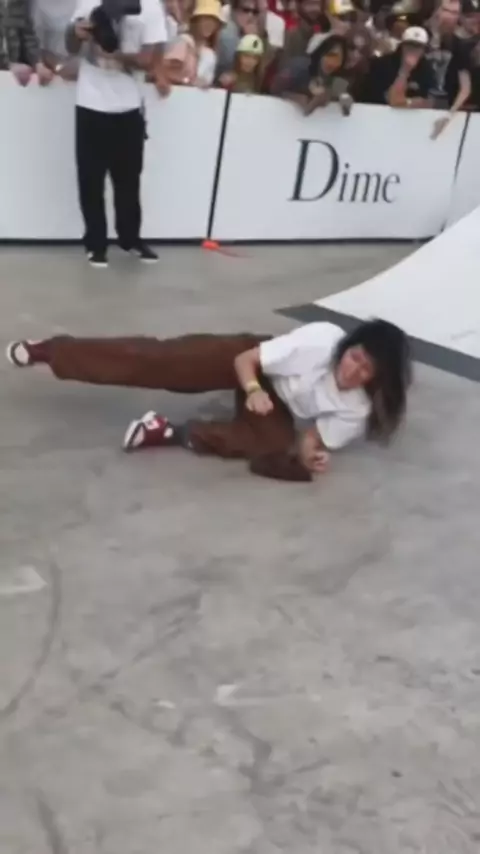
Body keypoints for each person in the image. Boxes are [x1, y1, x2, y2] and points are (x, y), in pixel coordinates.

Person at [6, 319, 411, 483]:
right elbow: (246, 361)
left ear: (377, 379)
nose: (354, 371)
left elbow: (313, 437)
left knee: (272, 445)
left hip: (276, 403)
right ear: (348, 346)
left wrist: (311, 456)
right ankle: (52, 352)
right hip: (250, 359)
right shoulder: (320, 340)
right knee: (161, 361)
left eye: (366, 371)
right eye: (355, 357)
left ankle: (167, 432)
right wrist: (253, 390)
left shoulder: (358, 407)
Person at [65, 0, 168, 269]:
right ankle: (95, 244)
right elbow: (70, 46)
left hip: (129, 104)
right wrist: (77, 32)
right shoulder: (89, 2)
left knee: (128, 180)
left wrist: (114, 53)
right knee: (90, 180)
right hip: (90, 101)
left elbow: (150, 59)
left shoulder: (150, 7)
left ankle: (130, 239)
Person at [271, 32, 351, 115]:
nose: (332, 63)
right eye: (330, 55)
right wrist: (296, 97)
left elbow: (344, 99)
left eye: (339, 59)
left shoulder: (336, 79)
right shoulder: (299, 68)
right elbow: (274, 89)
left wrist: (342, 99)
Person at [359, 25, 435, 106]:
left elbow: (429, 100)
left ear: (424, 50)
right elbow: (382, 98)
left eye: (418, 47)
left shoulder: (427, 69)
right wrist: (405, 70)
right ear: (402, 46)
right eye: (409, 45)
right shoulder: (382, 64)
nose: (413, 50)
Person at [0, 0, 53, 85]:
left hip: (13, 78)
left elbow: (28, 35)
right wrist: (9, 65)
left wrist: (37, 63)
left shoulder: (20, 3)